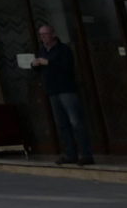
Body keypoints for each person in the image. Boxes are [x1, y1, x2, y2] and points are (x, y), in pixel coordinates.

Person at [32, 24, 94, 165]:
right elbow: (40, 69)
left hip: (66, 89)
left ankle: (86, 154)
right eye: (41, 35)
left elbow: (66, 67)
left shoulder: (63, 49)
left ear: (52, 34)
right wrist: (35, 64)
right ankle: (70, 154)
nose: (43, 38)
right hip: (52, 91)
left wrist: (48, 62)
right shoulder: (42, 50)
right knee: (62, 124)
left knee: (76, 122)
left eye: (45, 34)